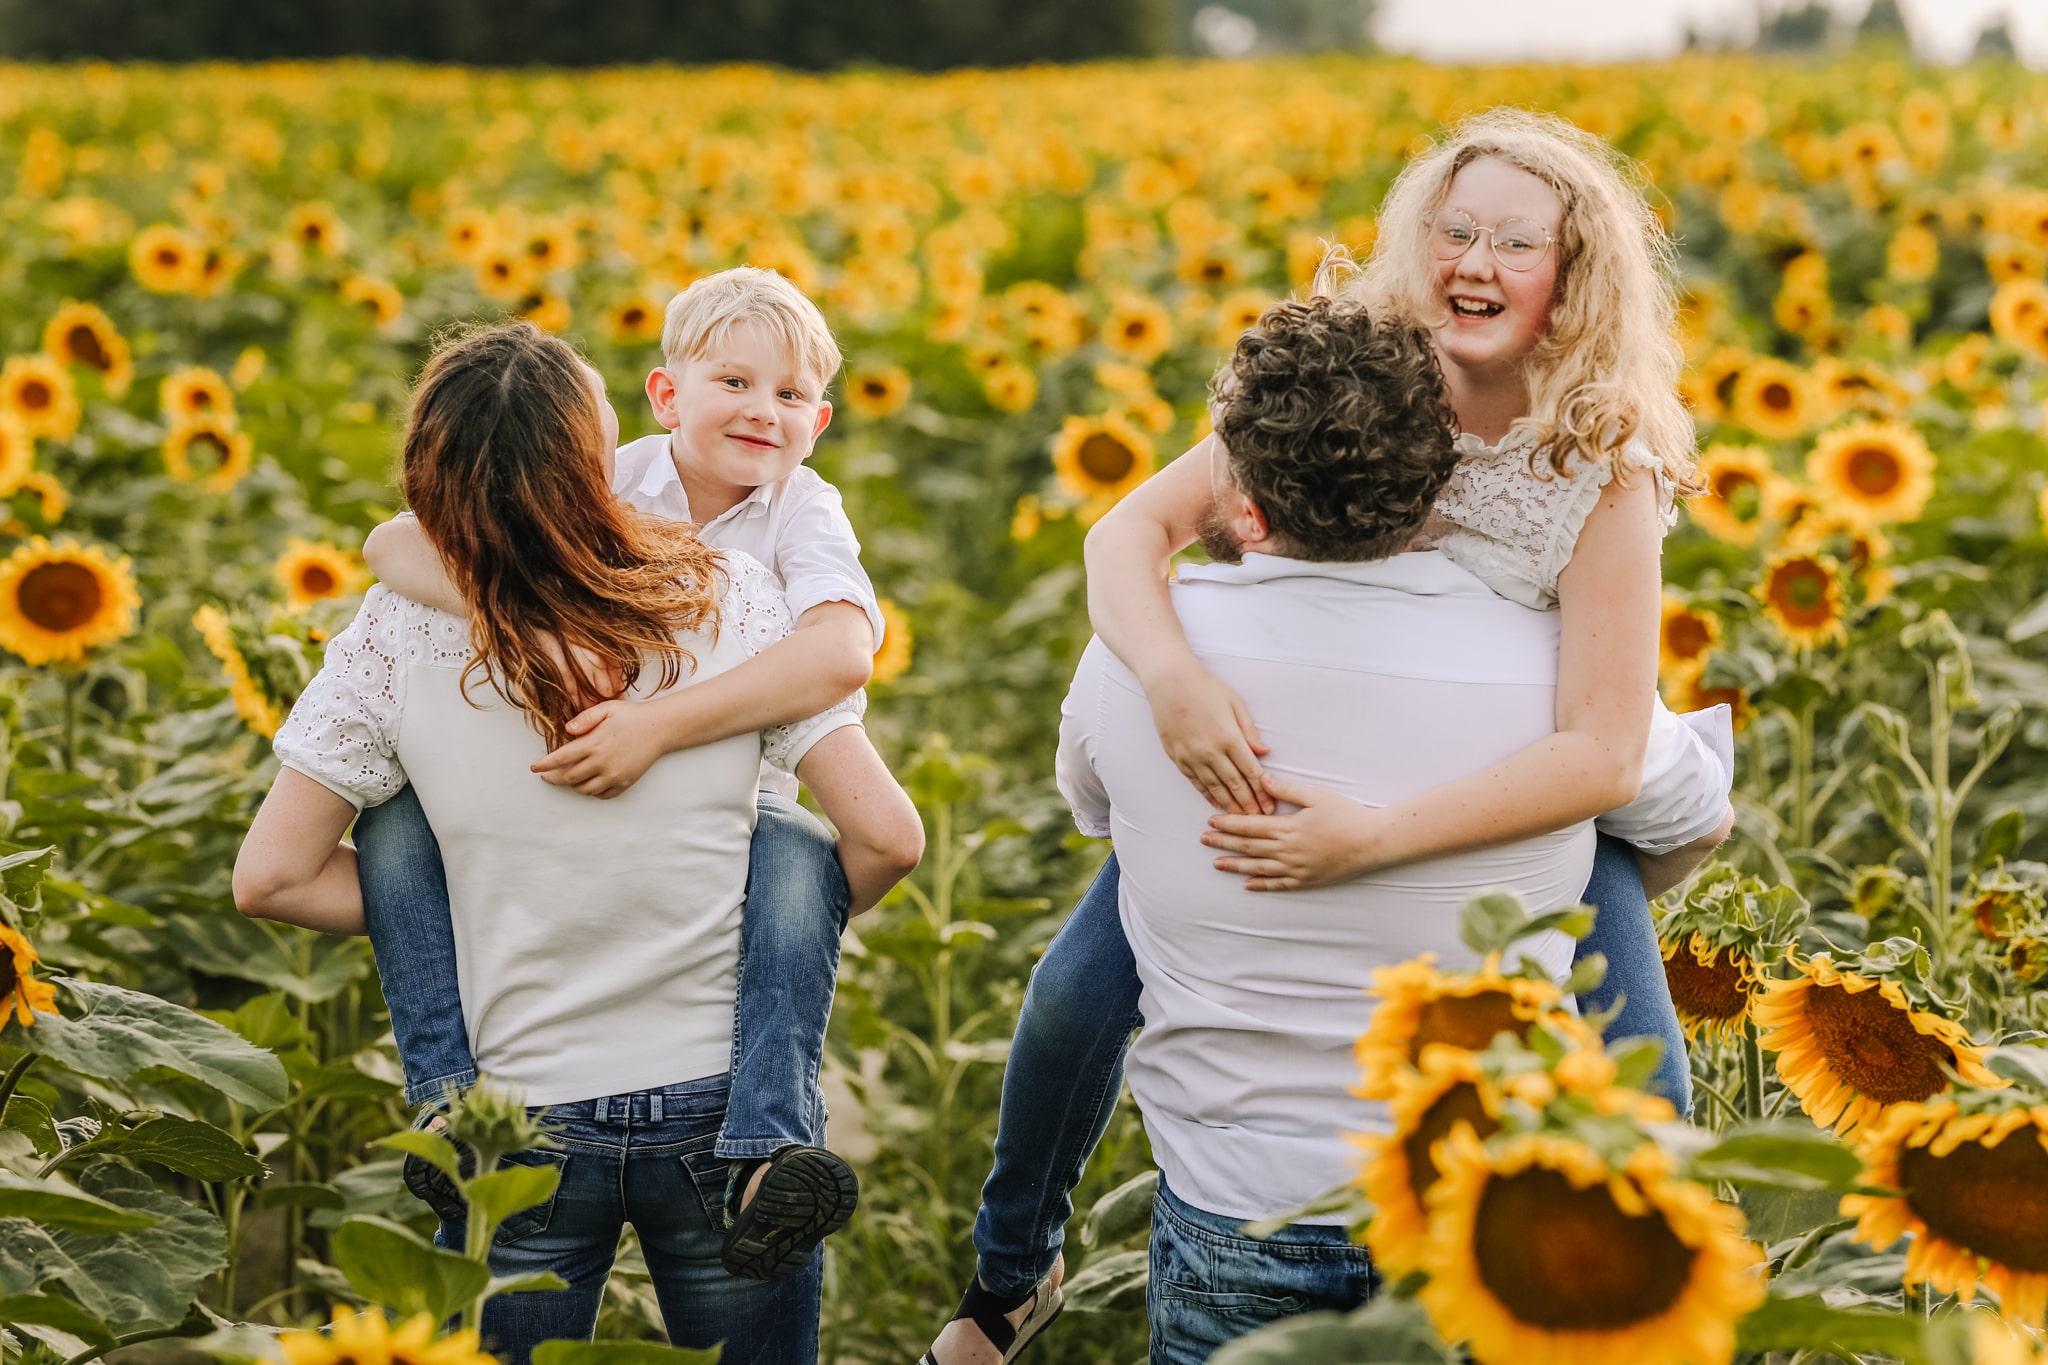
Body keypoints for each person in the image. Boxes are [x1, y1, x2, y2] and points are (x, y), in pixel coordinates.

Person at [923, 109, 1732, 1365]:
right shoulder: (1363, 370)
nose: (1473, 261)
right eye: (1453, 230)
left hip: (1532, 777)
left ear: (1574, 283)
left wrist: (1378, 838)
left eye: (1516, 244)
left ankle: (1637, 1317)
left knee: (1643, 1080)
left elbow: (1603, 751)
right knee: (1073, 997)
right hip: (1289, 733)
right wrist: (1172, 674)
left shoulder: (1595, 456)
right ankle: (1009, 1272)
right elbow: (1120, 535)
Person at [233, 322, 921, 1365]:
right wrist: (761, 907)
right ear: (602, 466)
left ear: (427, 475)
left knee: (398, 826)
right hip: (724, 1106)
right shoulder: (725, 599)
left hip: (514, 1124)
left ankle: (439, 1107)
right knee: (784, 831)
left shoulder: (398, 628)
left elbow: (272, 877)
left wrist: (468, 893)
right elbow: (885, 838)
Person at [1066, 296, 1728, 1363]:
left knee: (1072, 994)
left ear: (1242, 509)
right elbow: (1690, 810)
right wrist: (1544, 881)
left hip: (1242, 1199)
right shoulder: (1560, 687)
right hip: (1469, 1206)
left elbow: (1098, 813)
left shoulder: (1128, 669)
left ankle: (1007, 1269)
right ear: (1437, 488)